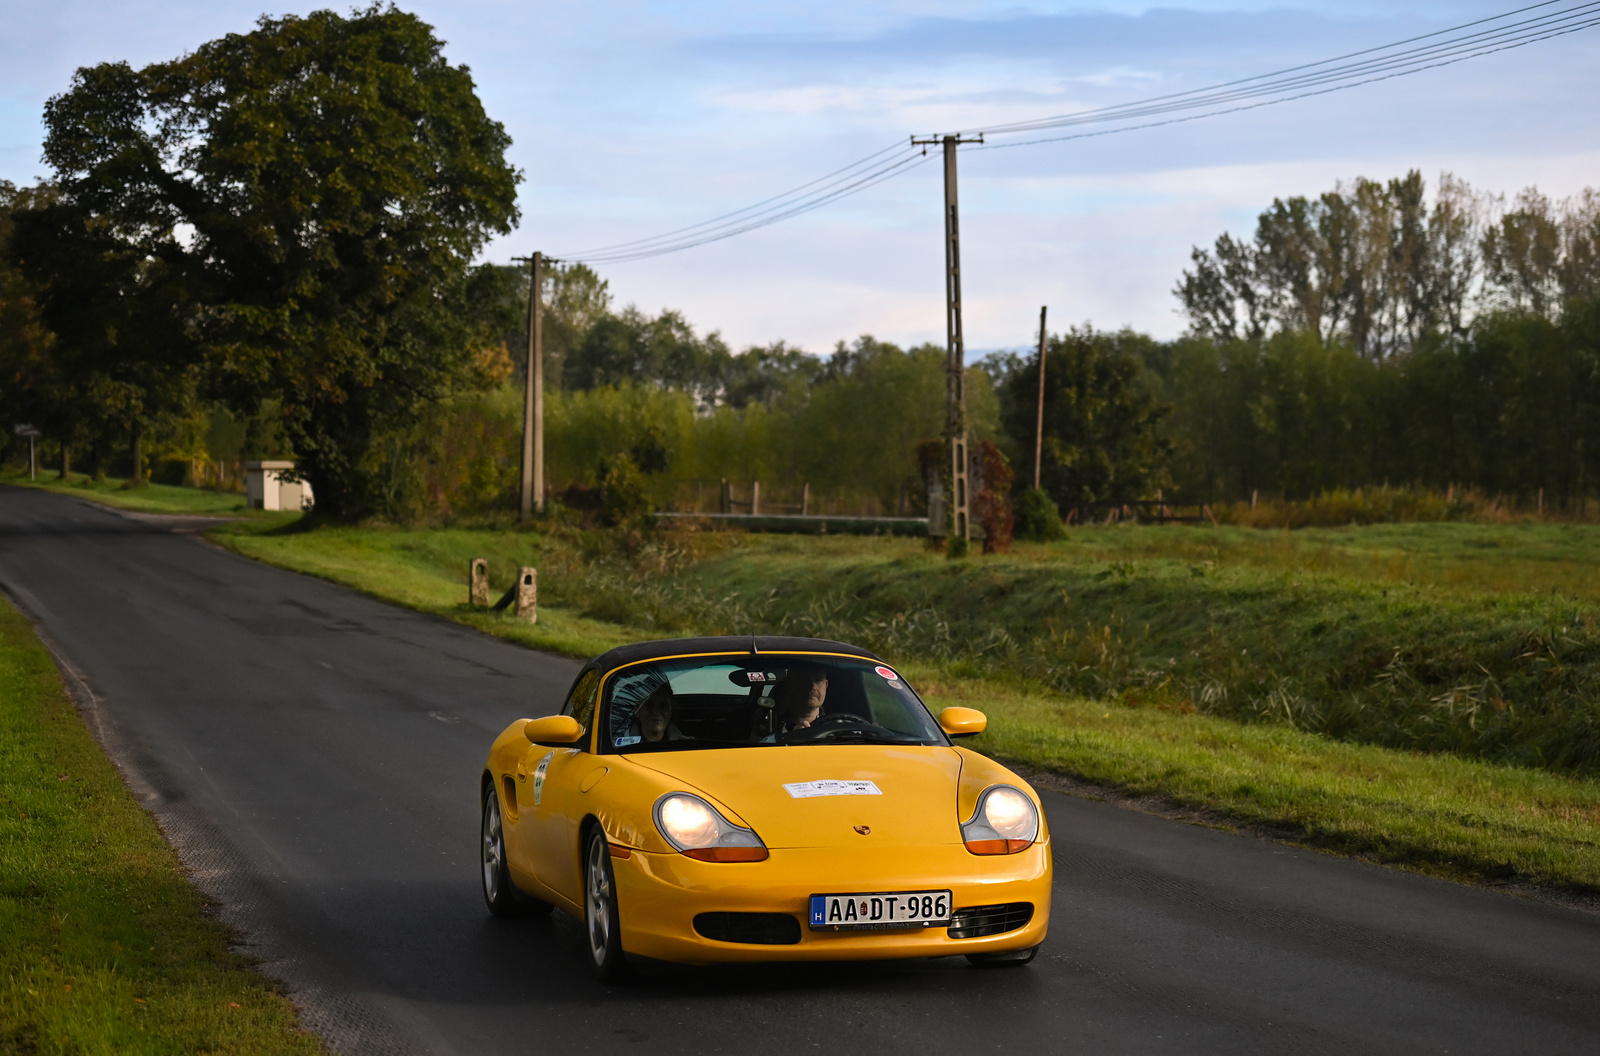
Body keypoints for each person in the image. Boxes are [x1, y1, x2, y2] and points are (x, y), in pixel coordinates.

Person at [774, 668, 830, 735]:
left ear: (826, 685)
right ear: (789, 684)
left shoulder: (837, 727)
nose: (812, 687)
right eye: (804, 681)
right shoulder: (769, 727)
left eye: (818, 680)